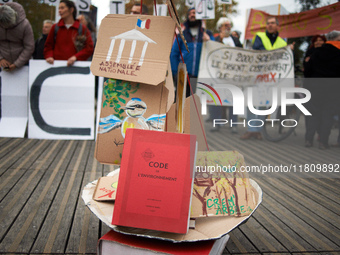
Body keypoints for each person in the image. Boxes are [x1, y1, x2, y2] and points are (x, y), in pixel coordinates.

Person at [240, 16, 293, 140]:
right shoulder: (259, 36)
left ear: (277, 26)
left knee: (264, 103)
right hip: (257, 74)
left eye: (272, 23)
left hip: (272, 77)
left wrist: (289, 50)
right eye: (268, 23)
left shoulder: (282, 42)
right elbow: (258, 50)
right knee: (251, 101)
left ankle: (258, 130)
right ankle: (251, 129)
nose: (270, 25)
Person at [303, 30, 340, 149]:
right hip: (333, 89)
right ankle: (323, 142)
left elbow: (308, 71)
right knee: (327, 116)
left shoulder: (317, 52)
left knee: (313, 114)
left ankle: (309, 140)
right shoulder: (338, 53)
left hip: (315, 87)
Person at [170, 7, 214, 97]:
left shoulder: (207, 34)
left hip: (201, 76)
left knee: (196, 105)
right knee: (183, 103)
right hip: (184, 75)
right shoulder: (182, 34)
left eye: (194, 13)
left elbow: (214, 53)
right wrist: (175, 73)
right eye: (190, 13)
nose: (192, 15)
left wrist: (209, 41)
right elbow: (174, 54)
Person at [210, 17, 242, 132]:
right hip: (218, 75)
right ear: (220, 28)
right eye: (225, 25)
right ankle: (217, 123)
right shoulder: (215, 40)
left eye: (229, 25)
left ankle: (233, 124)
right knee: (216, 99)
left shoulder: (236, 40)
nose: (228, 27)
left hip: (233, 75)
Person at [44, 0, 94, 67]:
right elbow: (48, 46)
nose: (59, 10)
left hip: (76, 69)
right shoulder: (55, 28)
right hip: (56, 68)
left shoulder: (82, 29)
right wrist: (49, 56)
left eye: (62, 8)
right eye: (59, 8)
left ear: (71, 10)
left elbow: (89, 48)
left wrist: (76, 57)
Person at [0, 2, 34, 71]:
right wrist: (1, 58)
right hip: (2, 65)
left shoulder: (25, 25)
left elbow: (29, 47)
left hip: (23, 65)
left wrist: (17, 63)